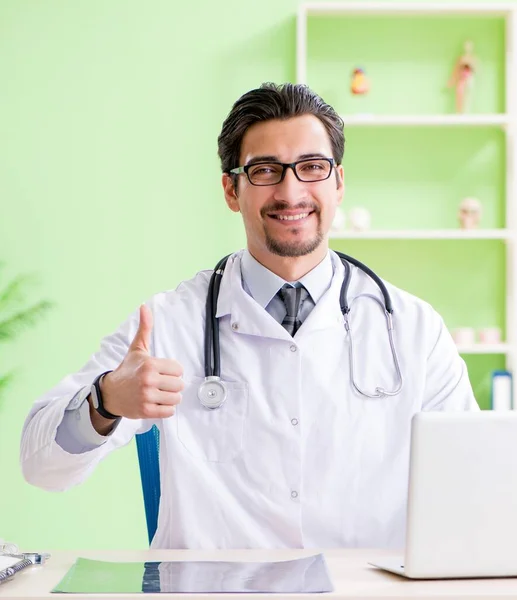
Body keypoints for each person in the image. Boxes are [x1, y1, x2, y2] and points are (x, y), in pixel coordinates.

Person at [20, 82, 479, 550]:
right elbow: (41, 467)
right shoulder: (169, 323)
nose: (290, 191)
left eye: (312, 167)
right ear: (231, 189)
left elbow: (473, 485)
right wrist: (106, 401)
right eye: (265, 170)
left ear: (338, 183)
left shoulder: (413, 329)